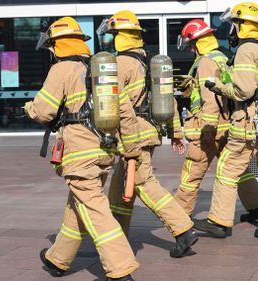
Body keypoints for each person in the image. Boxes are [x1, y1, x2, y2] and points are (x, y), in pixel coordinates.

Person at [25, 17, 142, 281]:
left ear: (58, 44)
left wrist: (28, 109)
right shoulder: (101, 69)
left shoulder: (62, 69)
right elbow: (125, 113)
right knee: (77, 205)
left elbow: (44, 111)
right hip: (104, 151)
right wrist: (131, 150)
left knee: (95, 210)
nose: (51, 51)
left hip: (79, 153)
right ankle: (58, 259)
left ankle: (121, 269)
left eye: (52, 46)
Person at [97, 10, 199, 256]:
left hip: (133, 134)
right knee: (122, 187)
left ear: (121, 36)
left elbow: (109, 101)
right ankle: (117, 235)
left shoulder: (120, 64)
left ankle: (183, 229)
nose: (110, 40)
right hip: (148, 130)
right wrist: (175, 132)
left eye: (113, 35)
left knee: (144, 184)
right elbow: (169, 99)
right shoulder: (148, 60)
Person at [194, 2, 258, 239]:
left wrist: (217, 86)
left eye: (234, 24)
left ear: (242, 25)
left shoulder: (245, 50)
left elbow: (244, 91)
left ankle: (219, 222)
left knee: (227, 168)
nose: (231, 30)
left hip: (249, 119)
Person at [173, 19, 258, 227]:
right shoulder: (221, 57)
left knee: (192, 171)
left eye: (190, 45)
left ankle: (179, 216)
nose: (190, 50)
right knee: (238, 169)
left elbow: (209, 99)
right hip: (226, 125)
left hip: (208, 128)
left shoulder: (206, 62)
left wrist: (207, 128)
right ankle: (257, 205)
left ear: (196, 42)